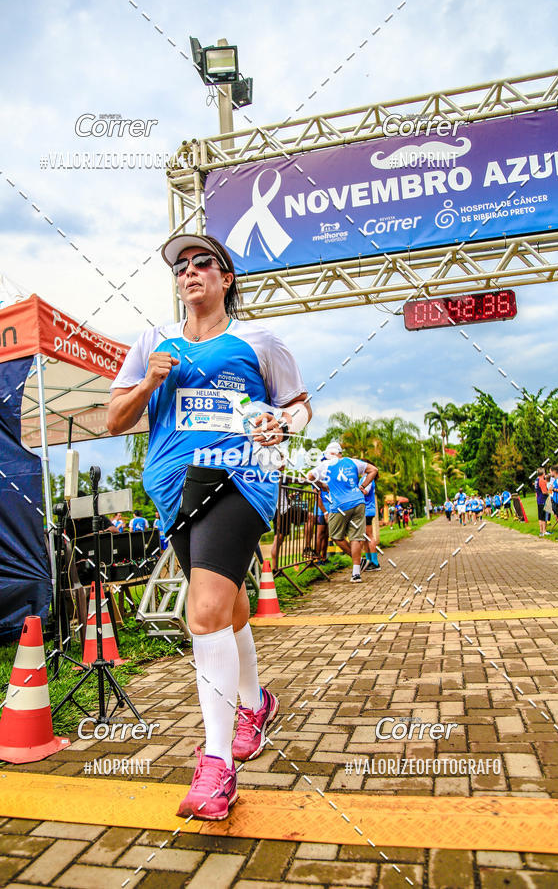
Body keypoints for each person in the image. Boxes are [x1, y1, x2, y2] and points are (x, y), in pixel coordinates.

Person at [107, 233, 311, 821]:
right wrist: (148, 381)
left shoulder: (258, 340)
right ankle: (256, 703)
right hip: (174, 487)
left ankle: (217, 765)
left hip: (240, 477)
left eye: (204, 263)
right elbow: (116, 417)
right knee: (231, 608)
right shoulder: (151, 342)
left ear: (225, 279)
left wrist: (282, 423)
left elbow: (299, 403)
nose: (190, 272)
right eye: (182, 266)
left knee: (202, 612)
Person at [309, 441, 372, 583]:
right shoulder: (353, 462)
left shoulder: (325, 465)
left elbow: (309, 477)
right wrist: (362, 486)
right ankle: (356, 573)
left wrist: (323, 485)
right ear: (340, 453)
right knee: (356, 537)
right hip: (358, 502)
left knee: (336, 537)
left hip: (339, 506)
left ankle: (358, 560)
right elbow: (374, 470)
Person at [360, 461, 379, 572]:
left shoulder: (368, 478)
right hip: (365, 510)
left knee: (369, 536)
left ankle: (375, 563)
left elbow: (365, 491)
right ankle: (368, 561)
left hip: (366, 510)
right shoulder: (364, 478)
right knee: (365, 537)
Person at [534, 468, 551, 538]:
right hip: (543, 500)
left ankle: (541, 531)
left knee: (540, 516)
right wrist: (550, 492)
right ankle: (544, 531)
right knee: (543, 517)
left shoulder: (536, 480)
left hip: (539, 500)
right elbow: (544, 491)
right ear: (543, 473)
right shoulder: (541, 481)